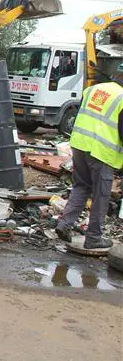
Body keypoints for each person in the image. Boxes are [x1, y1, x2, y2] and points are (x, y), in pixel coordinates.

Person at [55, 71, 123, 249]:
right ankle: (93, 237)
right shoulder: (122, 98)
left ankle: (64, 224)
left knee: (81, 186)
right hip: (101, 152)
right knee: (101, 195)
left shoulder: (93, 89)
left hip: (79, 145)